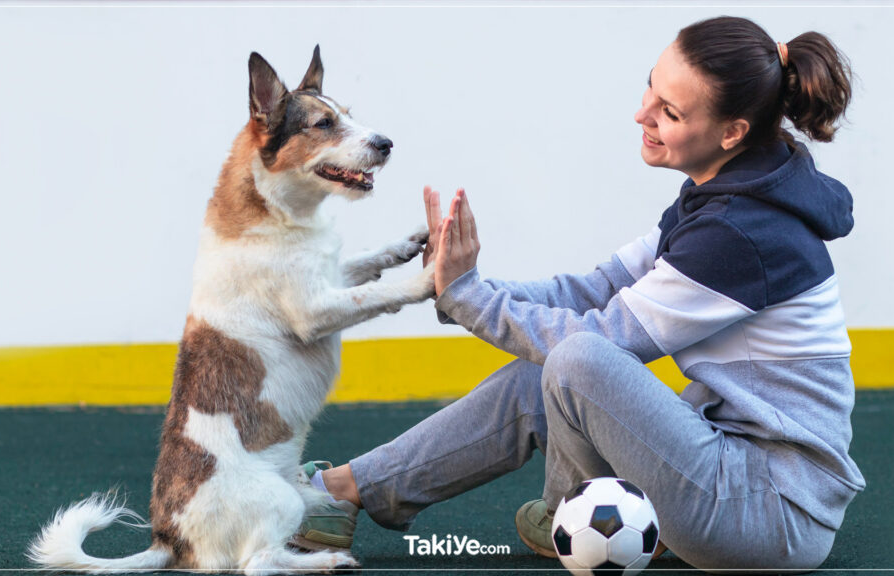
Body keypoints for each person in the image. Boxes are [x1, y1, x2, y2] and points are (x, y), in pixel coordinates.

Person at [296, 15, 865, 572]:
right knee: (545, 367)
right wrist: (459, 286)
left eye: (669, 112)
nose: (641, 113)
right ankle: (341, 492)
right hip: (726, 474)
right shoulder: (724, 195)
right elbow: (594, 290)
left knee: (575, 358)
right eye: (651, 85)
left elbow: (600, 340)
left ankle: (577, 514)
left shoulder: (741, 233)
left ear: (731, 132)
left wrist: (466, 297)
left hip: (768, 518)